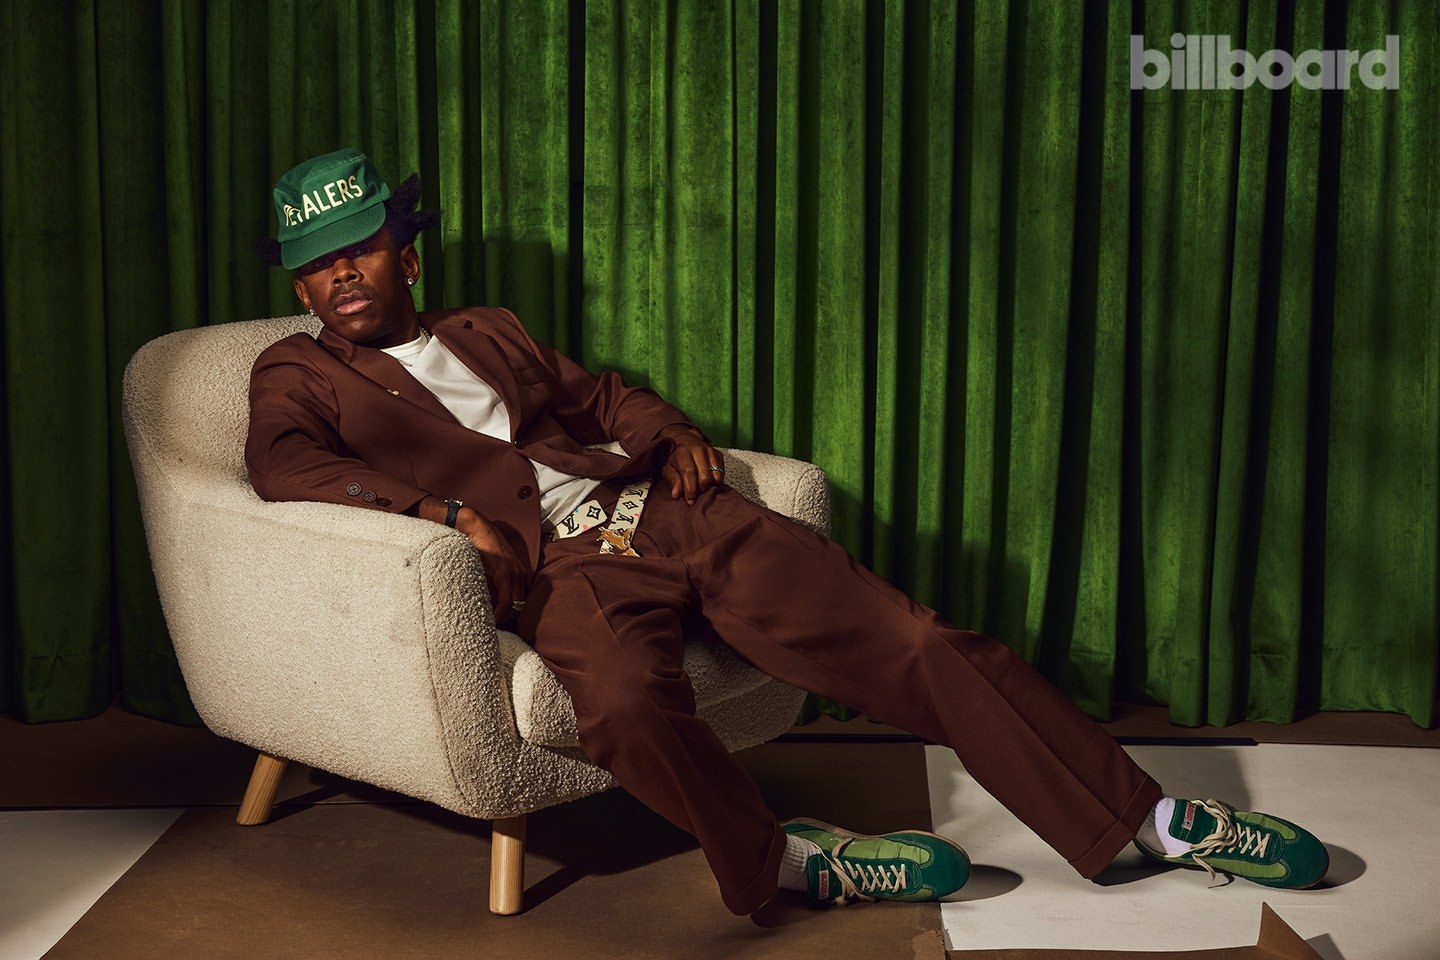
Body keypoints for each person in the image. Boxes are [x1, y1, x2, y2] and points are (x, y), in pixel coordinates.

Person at [247, 148, 1328, 915]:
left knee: (914, 640)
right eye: (316, 262)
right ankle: (787, 864)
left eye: (359, 250)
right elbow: (284, 466)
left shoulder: (488, 329)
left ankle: (1148, 822)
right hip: (563, 574)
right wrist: (445, 514)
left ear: (406, 256)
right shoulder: (296, 372)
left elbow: (602, 398)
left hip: (665, 510)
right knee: (622, 706)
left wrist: (672, 435)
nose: (339, 275)